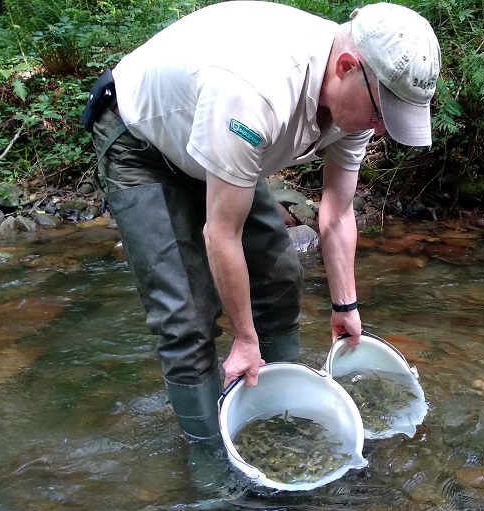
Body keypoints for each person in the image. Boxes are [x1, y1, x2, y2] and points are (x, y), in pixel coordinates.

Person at [84, 1, 441, 446]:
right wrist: (244, 338)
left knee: (279, 277)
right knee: (186, 319)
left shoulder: (356, 100)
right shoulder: (256, 92)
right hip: (142, 143)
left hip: (222, 142)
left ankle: (282, 419)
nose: (382, 129)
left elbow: (337, 210)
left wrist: (345, 307)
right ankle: (210, 460)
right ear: (347, 67)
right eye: (382, 113)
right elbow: (222, 233)